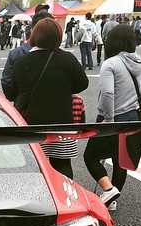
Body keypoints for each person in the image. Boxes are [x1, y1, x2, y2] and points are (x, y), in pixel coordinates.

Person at [11, 17, 89, 179]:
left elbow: (12, 92)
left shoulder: (22, 61)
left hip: (30, 124)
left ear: (35, 35)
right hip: (61, 122)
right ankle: (63, 201)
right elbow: (82, 84)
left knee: (32, 165)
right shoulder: (67, 59)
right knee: (61, 164)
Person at [83, 24, 141, 210]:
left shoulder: (110, 64)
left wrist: (109, 120)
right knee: (121, 159)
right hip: (133, 118)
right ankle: (112, 199)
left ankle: (108, 189)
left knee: (90, 157)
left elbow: (108, 94)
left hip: (112, 118)